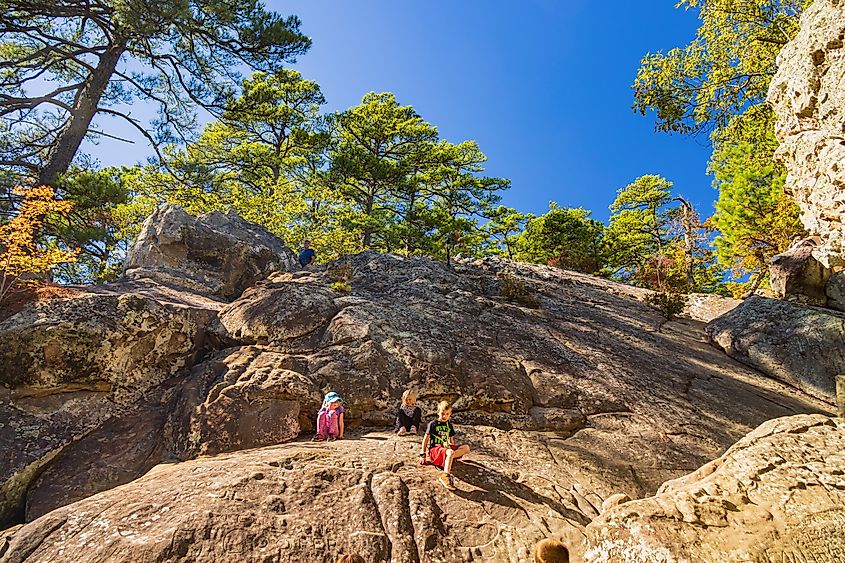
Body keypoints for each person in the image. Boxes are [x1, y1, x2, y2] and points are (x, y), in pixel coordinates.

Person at [419, 401, 470, 491]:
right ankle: (445, 476)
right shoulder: (433, 424)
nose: (444, 416)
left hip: (445, 448)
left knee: (466, 448)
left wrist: (451, 447)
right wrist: (422, 455)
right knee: (450, 452)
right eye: (442, 413)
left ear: (450, 414)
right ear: (438, 412)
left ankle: (449, 458)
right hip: (435, 450)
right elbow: (425, 439)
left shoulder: (449, 425)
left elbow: (451, 440)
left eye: (447, 414)